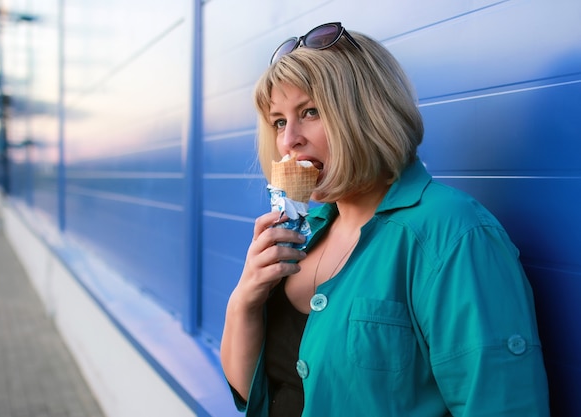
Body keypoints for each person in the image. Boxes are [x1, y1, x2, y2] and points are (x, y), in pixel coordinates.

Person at [220, 22, 550, 417]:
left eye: (309, 112)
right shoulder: (302, 233)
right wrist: (245, 298)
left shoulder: (453, 234)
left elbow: (501, 405)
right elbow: (250, 392)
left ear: (367, 114)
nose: (288, 140)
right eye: (278, 121)